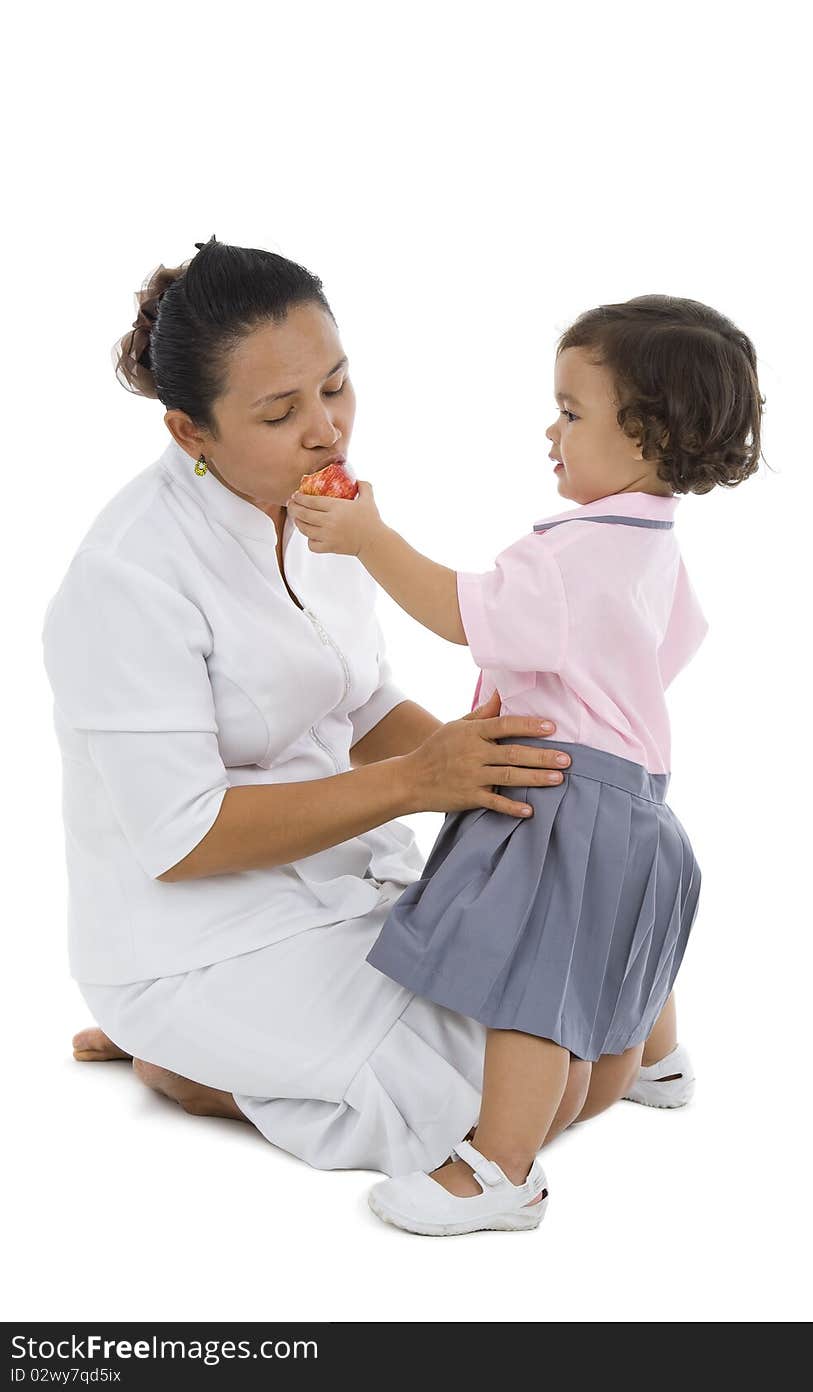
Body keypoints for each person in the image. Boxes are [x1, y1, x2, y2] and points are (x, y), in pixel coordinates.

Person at [44, 237, 696, 1192]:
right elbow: (182, 841)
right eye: (281, 412)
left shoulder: (319, 516)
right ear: (191, 433)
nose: (326, 430)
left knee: (589, 1065)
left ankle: (243, 1059)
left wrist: (517, 779)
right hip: (196, 936)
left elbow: (360, 698)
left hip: (347, 883)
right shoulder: (124, 581)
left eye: (336, 388)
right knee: (497, 1105)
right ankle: (187, 1062)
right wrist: (416, 785)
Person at [288, 292, 764, 1234]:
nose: (551, 432)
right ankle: (659, 1063)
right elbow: (674, 643)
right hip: (634, 788)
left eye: (573, 413)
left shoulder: (569, 553)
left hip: (563, 790)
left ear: (650, 434)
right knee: (613, 929)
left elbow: (466, 612)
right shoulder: (652, 539)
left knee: (534, 978)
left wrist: (369, 540)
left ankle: (502, 1173)